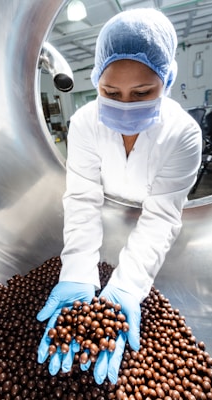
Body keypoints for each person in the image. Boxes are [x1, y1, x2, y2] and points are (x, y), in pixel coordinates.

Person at [37, 8, 202, 385]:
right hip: (104, 215)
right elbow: (82, 199)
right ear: (95, 81)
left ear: (167, 80)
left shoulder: (183, 135)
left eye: (143, 93)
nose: (125, 104)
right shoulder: (83, 123)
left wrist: (128, 285)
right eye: (110, 93)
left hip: (149, 226)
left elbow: (161, 216)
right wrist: (78, 271)